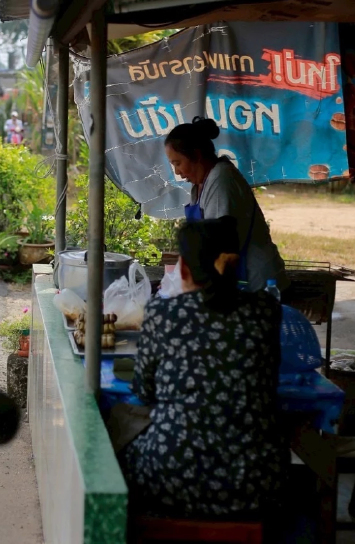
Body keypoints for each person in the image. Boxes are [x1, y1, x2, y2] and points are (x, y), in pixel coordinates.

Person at [120, 216, 287, 519]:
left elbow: (144, 392)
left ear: (182, 269)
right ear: (235, 264)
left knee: (116, 447)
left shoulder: (162, 314)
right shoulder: (266, 311)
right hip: (256, 484)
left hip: (171, 476)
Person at [164, 119, 287, 292]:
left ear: (197, 155)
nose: (176, 171)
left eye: (178, 163)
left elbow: (219, 244)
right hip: (235, 280)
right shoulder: (199, 185)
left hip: (258, 285)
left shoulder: (222, 180)